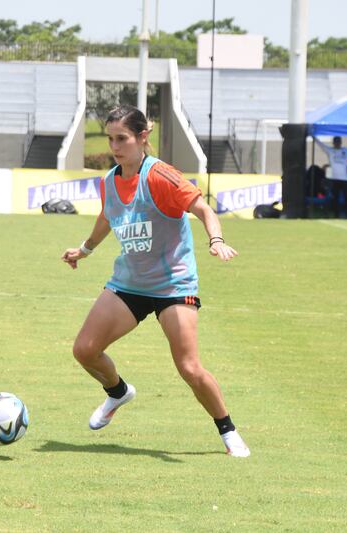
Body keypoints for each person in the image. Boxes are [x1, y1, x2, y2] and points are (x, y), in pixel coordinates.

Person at [61, 105, 250, 457]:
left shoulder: (161, 176)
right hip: (128, 284)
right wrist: (84, 250)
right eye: (111, 139)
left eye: (122, 139)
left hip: (173, 287)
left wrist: (217, 241)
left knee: (189, 367)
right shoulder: (109, 181)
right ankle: (118, 392)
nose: (115, 147)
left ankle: (228, 430)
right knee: (84, 350)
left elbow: (203, 209)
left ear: (143, 138)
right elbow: (108, 215)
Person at [314, 135, 347, 218]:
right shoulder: (330, 151)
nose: (337, 144)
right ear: (333, 143)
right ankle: (336, 215)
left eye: (338, 142)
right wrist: (314, 137)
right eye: (336, 142)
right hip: (334, 179)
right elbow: (321, 145)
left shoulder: (345, 150)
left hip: (345, 179)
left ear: (341, 143)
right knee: (335, 198)